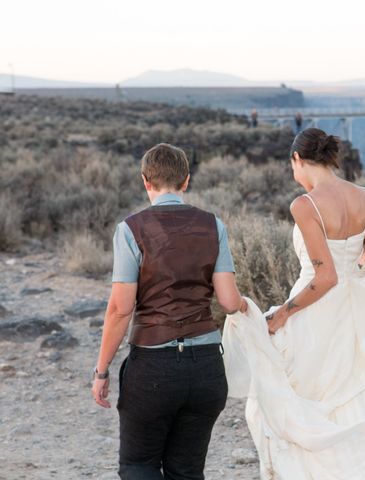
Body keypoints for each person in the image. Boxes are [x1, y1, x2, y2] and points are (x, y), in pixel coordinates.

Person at [223, 128, 365, 479]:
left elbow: (325, 277)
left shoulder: (305, 205)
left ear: (298, 159)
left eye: (292, 166)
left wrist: (283, 312)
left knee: (297, 403)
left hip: (316, 312)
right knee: (359, 399)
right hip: (354, 312)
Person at [91, 143, 247, 479]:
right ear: (186, 181)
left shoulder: (131, 229)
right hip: (207, 369)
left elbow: (120, 310)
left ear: (145, 181)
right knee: (187, 472)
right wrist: (248, 304)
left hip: (154, 370)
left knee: (138, 466)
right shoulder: (213, 225)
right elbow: (230, 303)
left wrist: (101, 371)